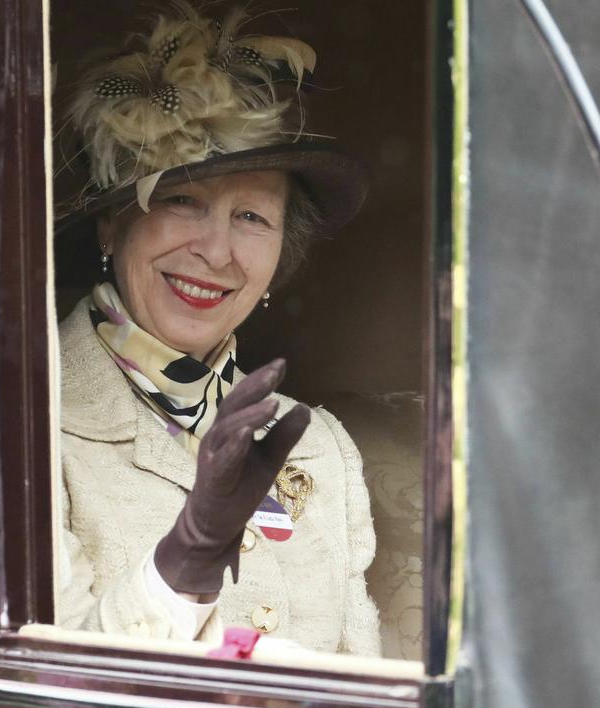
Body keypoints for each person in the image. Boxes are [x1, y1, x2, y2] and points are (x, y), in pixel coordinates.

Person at [54, 0, 380, 656]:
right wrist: (186, 560)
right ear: (113, 225)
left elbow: (371, 698)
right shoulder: (19, 424)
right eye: (182, 201)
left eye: (253, 217)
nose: (217, 251)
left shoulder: (322, 451)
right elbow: (45, 705)